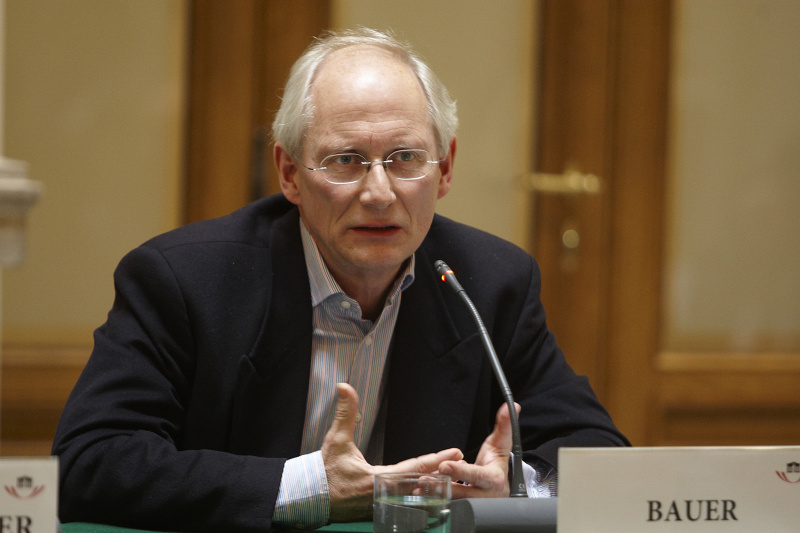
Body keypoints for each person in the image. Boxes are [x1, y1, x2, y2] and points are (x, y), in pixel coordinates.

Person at [52, 28, 628, 531]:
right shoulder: (186, 281)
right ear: (289, 173)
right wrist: (309, 487)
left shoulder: (490, 281)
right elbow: (90, 461)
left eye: (405, 159)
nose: (379, 194)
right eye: (345, 160)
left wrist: (516, 489)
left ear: (445, 168)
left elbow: (601, 458)